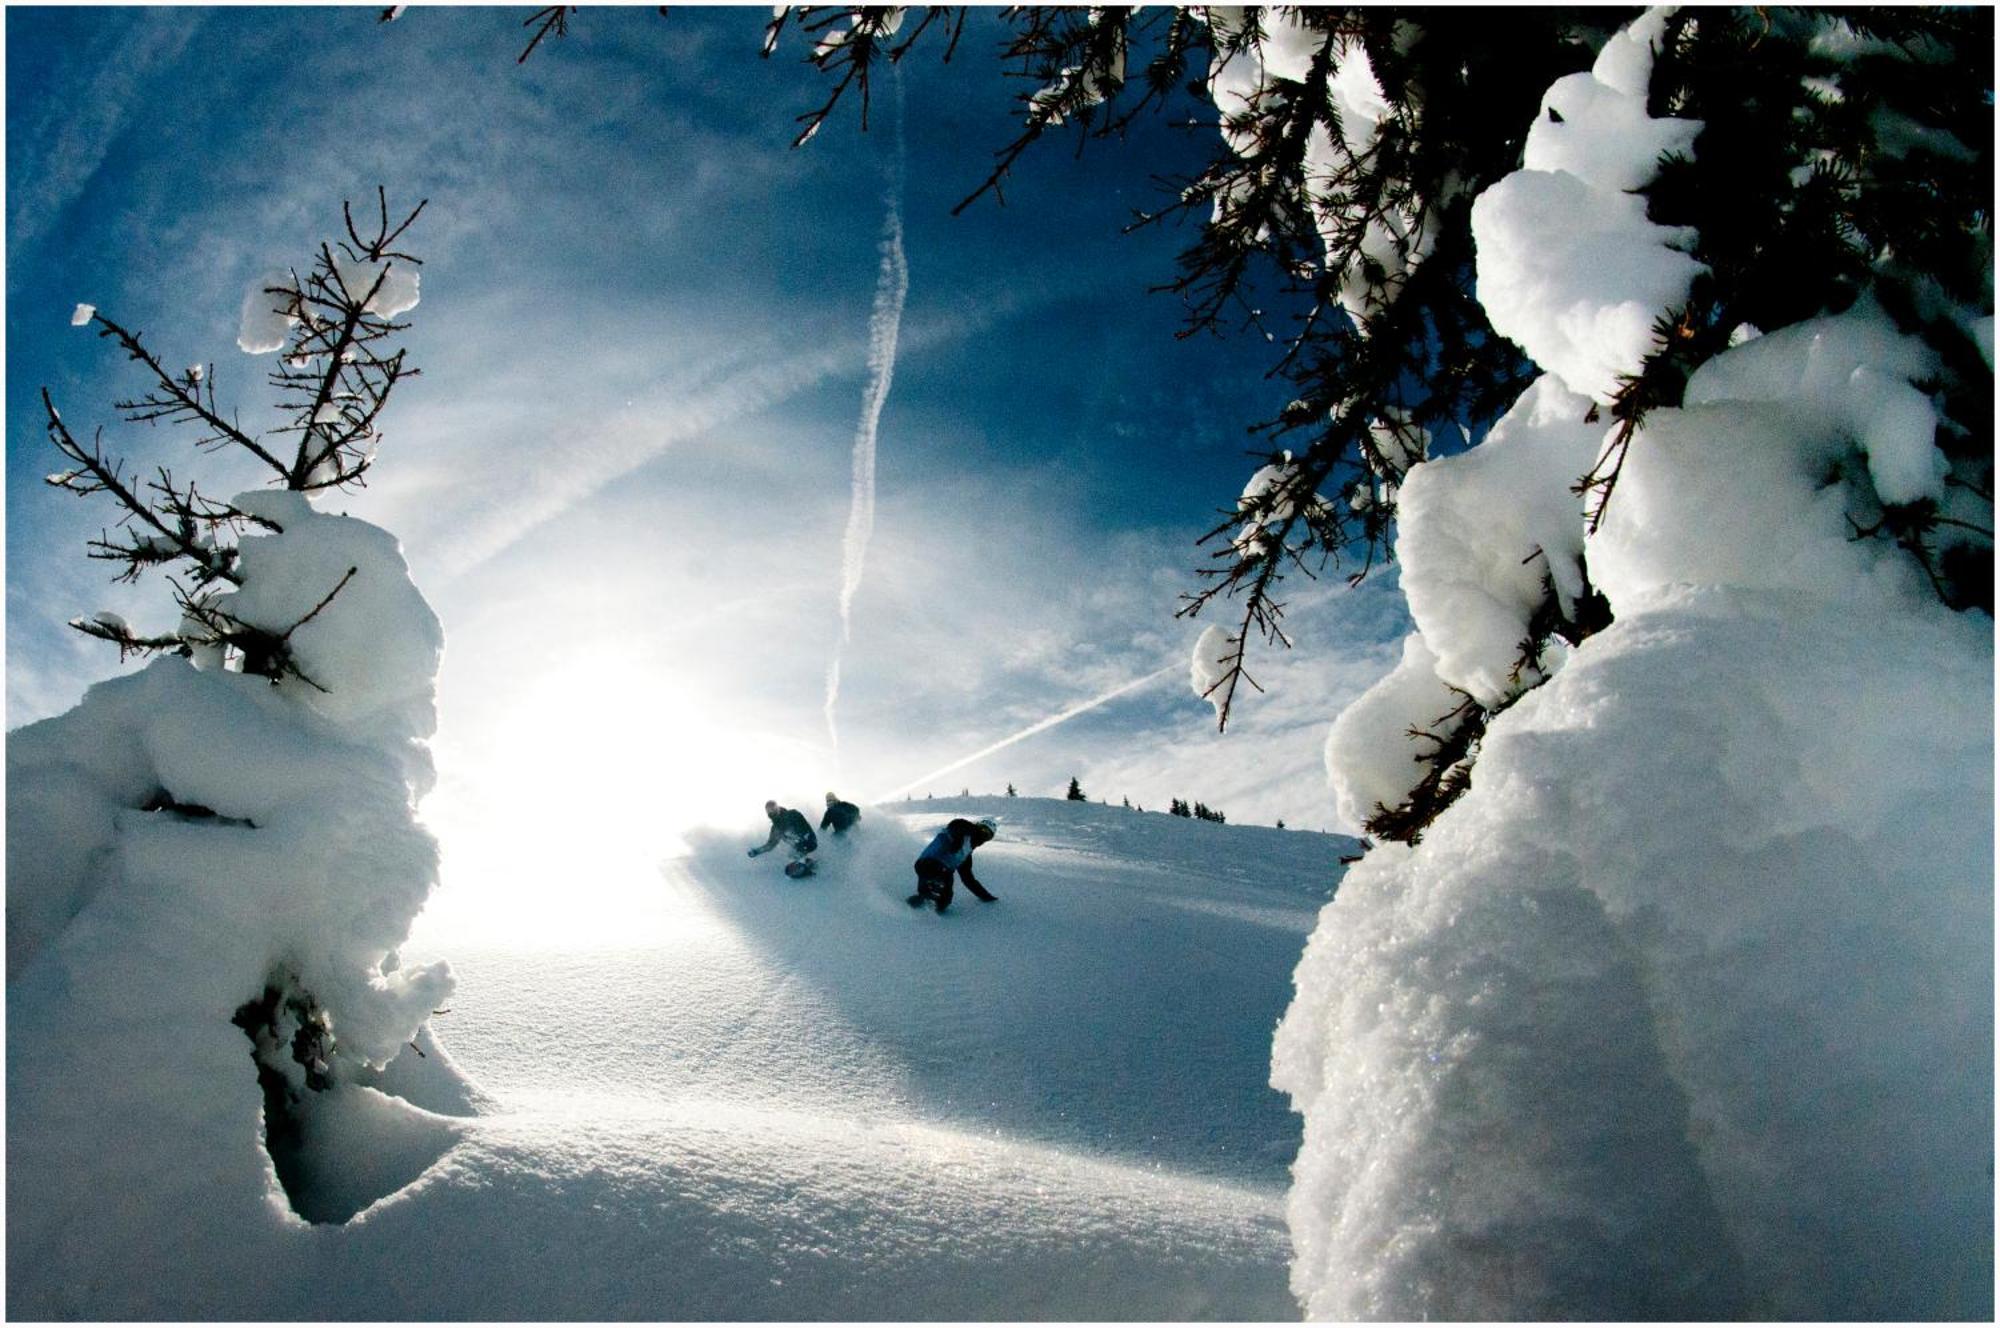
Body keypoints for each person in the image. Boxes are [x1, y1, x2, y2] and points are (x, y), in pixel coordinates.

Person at [908, 817, 997, 913]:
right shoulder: (963, 829)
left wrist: (986, 896)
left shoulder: (966, 854)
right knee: (933, 888)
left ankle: (929, 915)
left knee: (944, 900)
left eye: (987, 835)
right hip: (929, 863)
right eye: (982, 829)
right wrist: (957, 840)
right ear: (976, 826)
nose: (982, 834)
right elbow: (957, 824)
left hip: (943, 871)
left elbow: (968, 879)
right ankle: (908, 908)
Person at [748, 800, 818, 869]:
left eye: (773, 811)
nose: (772, 814)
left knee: (793, 851)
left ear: (777, 809)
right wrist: (756, 851)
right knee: (791, 854)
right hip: (799, 845)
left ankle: (803, 863)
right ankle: (805, 862)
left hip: (809, 840)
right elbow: (770, 845)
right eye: (770, 813)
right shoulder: (776, 828)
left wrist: (804, 838)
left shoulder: (792, 814)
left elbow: (804, 825)